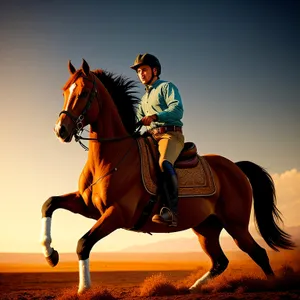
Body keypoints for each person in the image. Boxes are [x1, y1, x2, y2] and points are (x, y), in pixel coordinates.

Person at [130, 53, 185, 227]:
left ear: (154, 70)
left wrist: (155, 116)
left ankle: (171, 212)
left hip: (170, 135)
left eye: (144, 70)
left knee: (164, 162)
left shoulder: (166, 87)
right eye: (138, 71)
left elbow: (177, 109)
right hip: (150, 137)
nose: (141, 74)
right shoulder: (143, 100)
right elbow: (136, 122)